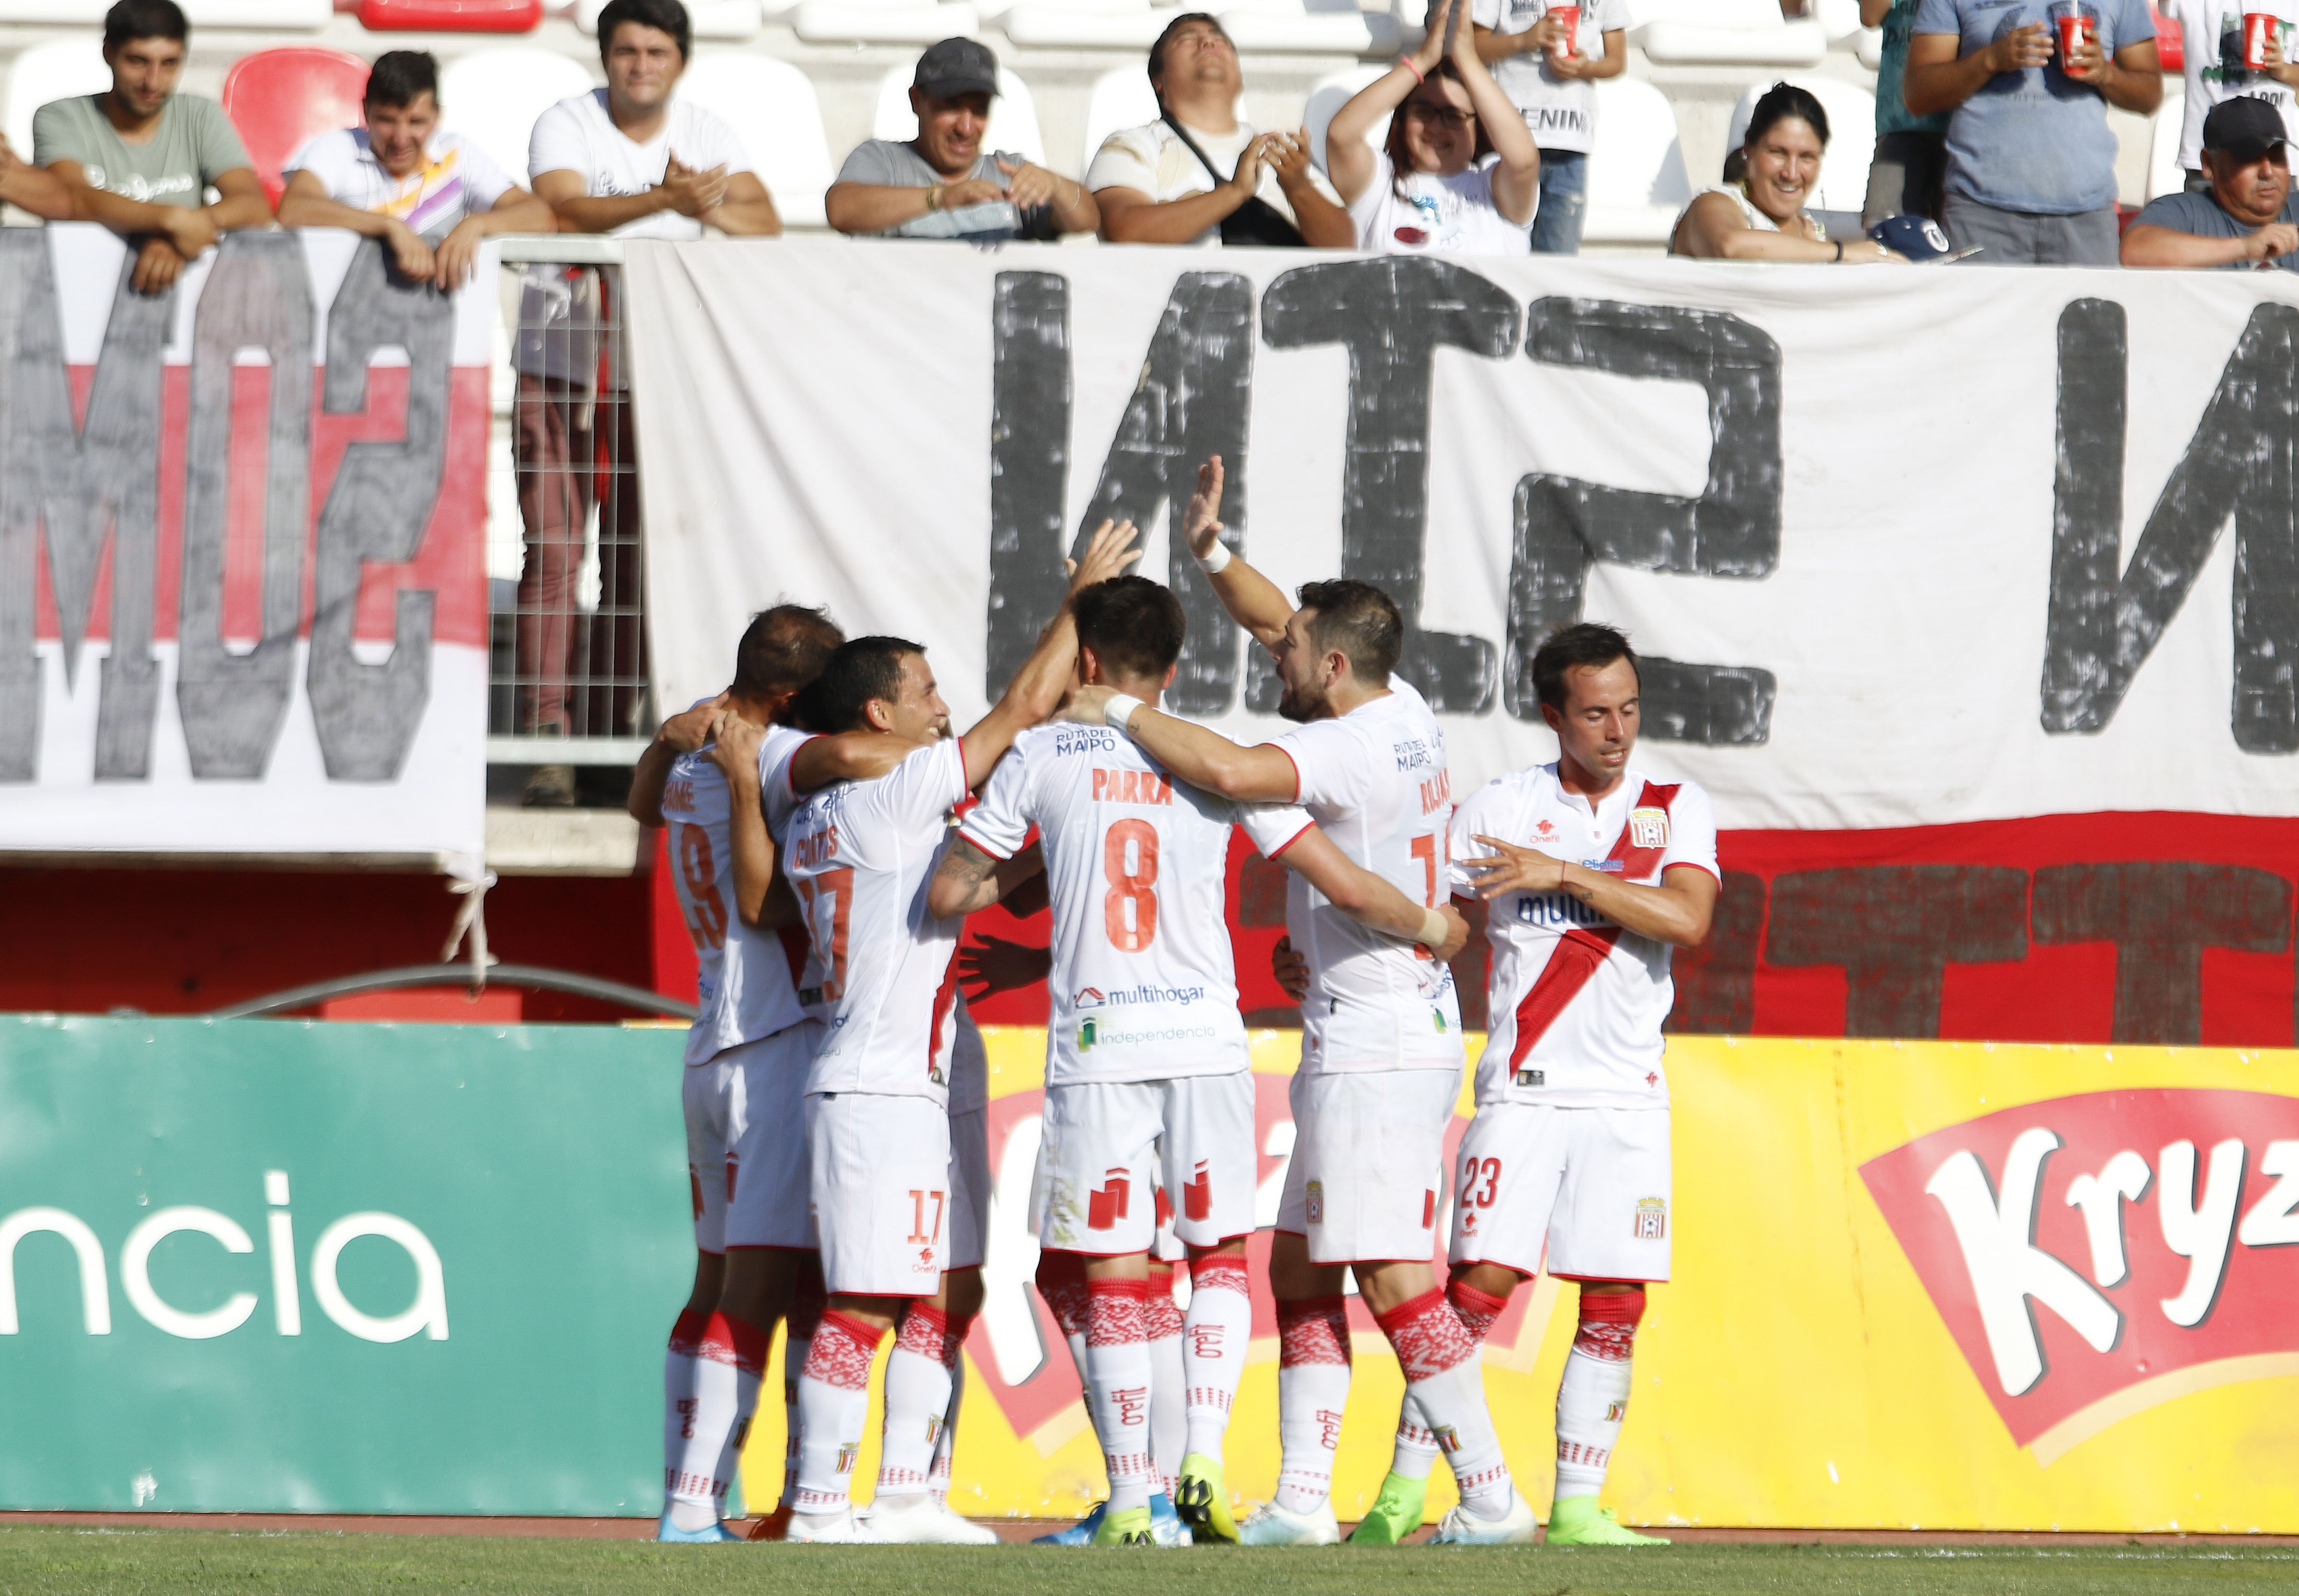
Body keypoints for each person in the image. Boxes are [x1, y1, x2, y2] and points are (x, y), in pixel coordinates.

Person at [928, 573, 1465, 1547]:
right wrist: (1432, 922)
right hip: (1210, 1040)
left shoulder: (1042, 754)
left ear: (1087, 662)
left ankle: (1135, 1505)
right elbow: (1335, 875)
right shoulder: (1214, 762)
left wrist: (1032, 859)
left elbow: (951, 893)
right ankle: (1205, 1465)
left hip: (1102, 1046)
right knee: (1221, 1254)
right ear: (1172, 669)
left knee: (1112, 1270)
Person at [1062, 460, 1528, 1549]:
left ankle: (1494, 1495)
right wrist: (1214, 553)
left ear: (1329, 665)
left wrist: (1118, 707)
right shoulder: (1395, 700)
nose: (1269, 648)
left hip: (1376, 1033)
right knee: (1299, 1265)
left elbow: (1231, 769)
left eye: (1287, 648)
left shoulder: (1336, 748)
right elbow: (1286, 620)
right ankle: (1303, 1502)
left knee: (1392, 1273)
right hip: (1373, 1020)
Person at [777, 522, 1143, 1544]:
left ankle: (903, 1493)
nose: (944, 706)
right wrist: (1079, 598)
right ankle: (816, 1506)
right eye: (926, 689)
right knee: (865, 1302)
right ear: (877, 711)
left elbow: (976, 868)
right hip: (878, 1086)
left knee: (946, 1284)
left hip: (916, 1076)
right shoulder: (885, 793)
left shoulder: (847, 804)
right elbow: (1022, 708)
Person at [1442, 623, 1716, 1546]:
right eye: (1595, 712)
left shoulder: (1676, 804)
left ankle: (1579, 1508)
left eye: (1630, 708)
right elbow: (1431, 916)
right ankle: (1417, 1494)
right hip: (1522, 1088)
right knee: (1477, 1286)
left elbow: (1685, 917)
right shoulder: (1497, 807)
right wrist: (1318, 958)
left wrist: (1566, 873)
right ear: (1552, 715)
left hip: (1628, 1097)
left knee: (1615, 1298)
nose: (1618, 730)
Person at [516, 0, 777, 808]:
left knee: (633, 565)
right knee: (556, 556)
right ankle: (546, 739)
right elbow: (560, 208)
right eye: (625, 50)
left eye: (654, 51)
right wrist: (671, 203)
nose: (639, 65)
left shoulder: (706, 131)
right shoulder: (565, 121)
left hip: (654, 373)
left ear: (680, 60)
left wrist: (695, 203)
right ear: (604, 58)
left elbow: (762, 223)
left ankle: (607, 732)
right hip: (560, 367)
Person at [33, 0, 271, 295]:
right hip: (76, 291)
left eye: (170, 63)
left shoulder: (200, 115)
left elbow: (254, 206)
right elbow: (70, 199)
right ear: (109, 53)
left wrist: (178, 237)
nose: (153, 82)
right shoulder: (61, 117)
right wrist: (173, 222)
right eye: (138, 61)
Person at [1904, 0, 2161, 264]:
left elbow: (2150, 94)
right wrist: (1990, 59)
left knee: (2089, 306)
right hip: (1981, 211)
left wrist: (2105, 74)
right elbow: (1918, 95)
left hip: (2087, 215)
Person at [277, 51, 554, 290]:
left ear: (437, 115)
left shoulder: (458, 154)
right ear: (365, 111)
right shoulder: (337, 147)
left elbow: (540, 217)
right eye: (387, 121)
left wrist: (477, 224)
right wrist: (389, 227)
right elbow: (293, 208)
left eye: (416, 122)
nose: (401, 138)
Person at [1087, 12, 1353, 247]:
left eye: (1220, 39)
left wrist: (1298, 187)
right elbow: (1122, 229)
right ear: (1159, 80)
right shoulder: (1133, 144)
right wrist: (1235, 192)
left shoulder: (1281, 149)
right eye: (1188, 39)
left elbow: (1344, 245)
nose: (1208, 42)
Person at [1326, 0, 1541, 256]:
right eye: (1423, 112)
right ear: (1402, 120)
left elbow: (1524, 161)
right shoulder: (1378, 184)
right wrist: (1422, 60)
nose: (1436, 127)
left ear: (1478, 126)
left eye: (1453, 116)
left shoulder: (1492, 187)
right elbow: (1341, 136)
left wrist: (1469, 61)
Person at [826, 38, 1097, 241]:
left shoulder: (1011, 173)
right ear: (916, 100)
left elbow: (1088, 220)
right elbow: (841, 210)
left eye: (980, 110)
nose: (966, 128)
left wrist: (1057, 186)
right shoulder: (883, 161)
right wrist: (940, 198)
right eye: (951, 106)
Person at [1670, 83, 1905, 261]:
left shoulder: (1812, 232)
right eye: (1778, 153)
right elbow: (1729, 246)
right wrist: (1843, 253)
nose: (1791, 174)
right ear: (1748, 148)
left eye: (1806, 157)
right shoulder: (1712, 204)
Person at [1471, 0, 1628, 253]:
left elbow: (1617, 61)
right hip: (1508, 145)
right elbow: (1473, 47)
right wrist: (1524, 40)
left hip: (1570, 147)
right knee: (1500, 250)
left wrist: (1586, 68)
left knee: (1558, 257)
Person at [2122, 94, 2299, 267]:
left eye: (2277, 158)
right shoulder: (2185, 213)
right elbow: (2134, 252)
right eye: (2249, 158)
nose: (2267, 172)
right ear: (2209, 164)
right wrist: (2245, 248)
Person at [2163, 1, 2299, 190]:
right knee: (2205, 219)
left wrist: (2283, 70)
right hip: (2211, 158)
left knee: (2276, 220)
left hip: (2277, 158)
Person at [1860, 0, 1952, 226]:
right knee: (1885, 230)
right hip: (1900, 122)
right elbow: (1870, 16)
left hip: (1961, 123)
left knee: (1956, 235)